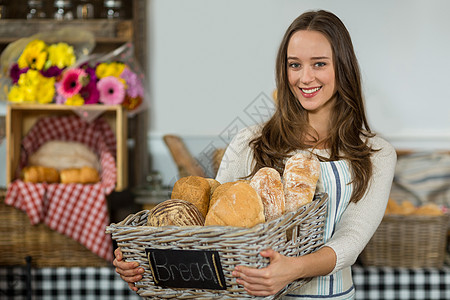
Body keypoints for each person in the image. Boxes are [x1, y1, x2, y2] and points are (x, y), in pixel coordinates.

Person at [113, 9, 397, 299]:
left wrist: (293, 269)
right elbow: (211, 229)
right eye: (295, 65)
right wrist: (150, 261)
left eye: (320, 64)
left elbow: (351, 239)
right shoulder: (251, 141)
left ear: (343, 67)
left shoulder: (376, 154)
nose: (305, 77)